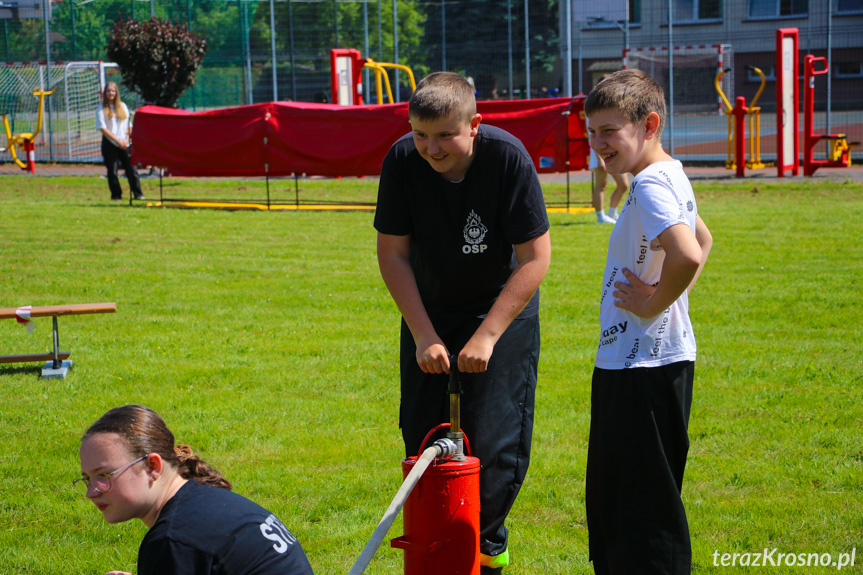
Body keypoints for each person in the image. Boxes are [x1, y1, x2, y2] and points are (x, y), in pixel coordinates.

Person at [374, 71, 551, 574]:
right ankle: (436, 545)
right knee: (423, 435)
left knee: (493, 438)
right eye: (420, 134)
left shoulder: (507, 158)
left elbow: (535, 258)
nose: (431, 148)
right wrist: (423, 334)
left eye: (445, 135)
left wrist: (489, 335)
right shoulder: (402, 160)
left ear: (475, 125)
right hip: (430, 310)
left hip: (501, 310)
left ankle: (488, 543)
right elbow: (393, 255)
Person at [583, 69, 713, 575]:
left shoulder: (654, 183)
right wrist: (667, 301)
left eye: (610, 130)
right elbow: (704, 242)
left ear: (649, 124)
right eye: (592, 131)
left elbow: (685, 253)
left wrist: (654, 303)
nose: (599, 143)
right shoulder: (668, 173)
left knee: (639, 510)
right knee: (637, 496)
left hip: (641, 367)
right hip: (654, 362)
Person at [75, 405, 315, 575]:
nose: (91, 492)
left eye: (103, 476)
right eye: (87, 479)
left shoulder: (173, 540)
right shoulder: (203, 497)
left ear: (152, 466)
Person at [97, 82, 144, 201]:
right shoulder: (101, 109)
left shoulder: (123, 106)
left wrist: (126, 139)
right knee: (112, 171)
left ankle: (138, 194)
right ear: (105, 93)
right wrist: (117, 140)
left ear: (116, 92)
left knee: (132, 170)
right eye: (108, 91)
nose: (111, 93)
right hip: (110, 144)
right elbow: (103, 128)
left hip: (125, 143)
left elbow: (129, 125)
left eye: (113, 91)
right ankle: (116, 195)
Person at [589, 147, 629, 224]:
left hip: (614, 154)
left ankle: (612, 213)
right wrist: (600, 159)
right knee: (601, 186)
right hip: (600, 154)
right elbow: (593, 139)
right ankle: (601, 217)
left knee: (623, 185)